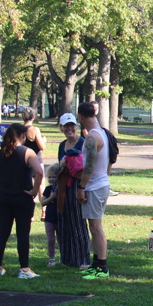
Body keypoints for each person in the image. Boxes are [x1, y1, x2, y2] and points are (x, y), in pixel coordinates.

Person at [0, 124, 43, 278]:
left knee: (2, 232)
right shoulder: (27, 152)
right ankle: (24, 268)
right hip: (22, 197)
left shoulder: (1, 152)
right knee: (23, 233)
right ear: (23, 135)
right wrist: (35, 191)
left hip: (3, 197)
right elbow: (39, 172)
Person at [76, 102, 111, 279]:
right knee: (93, 226)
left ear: (80, 117)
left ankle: (102, 267)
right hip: (100, 184)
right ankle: (96, 265)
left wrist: (81, 187)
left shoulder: (91, 138)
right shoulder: (102, 132)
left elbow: (89, 167)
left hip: (95, 186)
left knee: (96, 228)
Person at [55, 113, 91, 268]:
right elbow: (60, 164)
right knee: (64, 222)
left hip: (78, 185)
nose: (69, 129)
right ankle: (67, 257)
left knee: (78, 223)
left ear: (76, 126)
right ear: (61, 127)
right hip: (64, 186)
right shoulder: (62, 145)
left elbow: (85, 166)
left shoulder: (83, 142)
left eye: (72, 125)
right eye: (66, 126)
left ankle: (83, 259)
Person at [40, 165, 59, 267]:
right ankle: (51, 259)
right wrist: (51, 197)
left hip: (60, 218)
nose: (52, 179)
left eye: (54, 177)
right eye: (50, 177)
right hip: (49, 218)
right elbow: (43, 202)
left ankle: (63, 258)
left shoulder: (62, 188)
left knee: (61, 239)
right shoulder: (48, 189)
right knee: (51, 239)